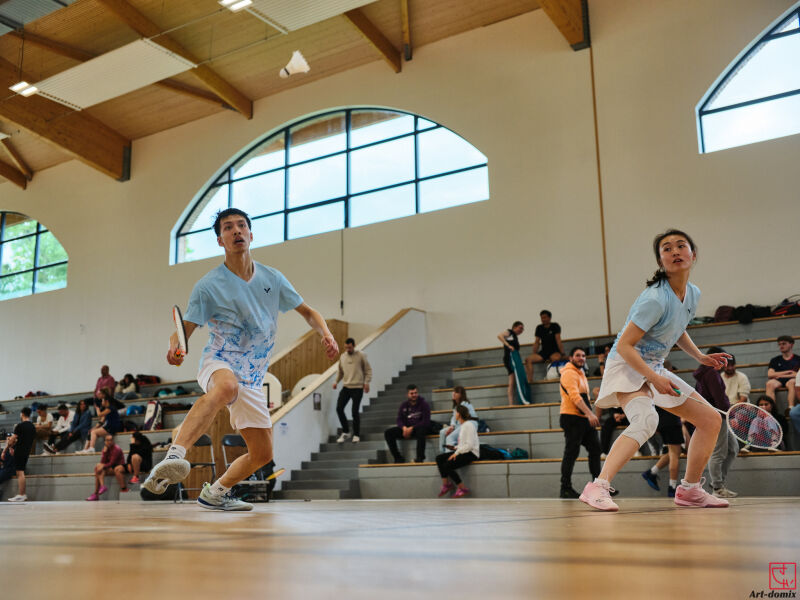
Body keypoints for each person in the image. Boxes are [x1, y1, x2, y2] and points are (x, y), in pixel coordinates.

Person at [142, 208, 338, 511]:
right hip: (219, 361)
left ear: (250, 234)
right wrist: (174, 349)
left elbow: (309, 312)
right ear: (220, 240)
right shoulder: (208, 286)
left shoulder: (273, 278)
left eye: (241, 226)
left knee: (261, 453)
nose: (236, 231)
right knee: (226, 388)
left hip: (254, 376)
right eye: (228, 228)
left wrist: (326, 334)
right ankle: (174, 456)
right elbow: (183, 331)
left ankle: (216, 493)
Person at [580, 229, 731, 512]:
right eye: (666, 248)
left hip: (654, 367)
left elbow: (678, 328)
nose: (674, 251)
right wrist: (654, 379)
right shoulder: (654, 298)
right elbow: (625, 346)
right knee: (646, 420)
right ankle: (597, 487)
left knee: (710, 420)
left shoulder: (692, 293)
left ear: (693, 255)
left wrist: (700, 356)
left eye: (681, 245)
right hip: (626, 366)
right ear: (660, 261)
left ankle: (690, 490)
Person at [693, 346, 738, 498]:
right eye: (722, 359)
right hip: (717, 415)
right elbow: (719, 398)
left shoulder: (707, 372)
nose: (724, 363)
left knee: (733, 449)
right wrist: (730, 411)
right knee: (719, 452)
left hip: (718, 414)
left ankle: (718, 484)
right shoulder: (711, 373)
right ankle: (717, 488)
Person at [558, 347, 601, 499]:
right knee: (571, 453)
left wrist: (589, 414)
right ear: (571, 358)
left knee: (595, 449)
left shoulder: (581, 373)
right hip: (572, 418)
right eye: (577, 355)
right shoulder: (569, 373)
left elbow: (585, 398)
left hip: (583, 418)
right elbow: (576, 398)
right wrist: (590, 414)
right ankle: (565, 488)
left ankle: (599, 486)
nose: (581, 358)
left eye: (583, 356)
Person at [333, 338, 372, 444]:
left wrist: (366, 382)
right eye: (346, 347)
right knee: (339, 408)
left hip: (358, 387)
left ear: (354, 345)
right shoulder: (342, 356)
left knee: (354, 411)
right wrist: (336, 382)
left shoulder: (361, 355)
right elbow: (340, 371)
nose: (348, 349)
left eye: (349, 347)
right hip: (346, 387)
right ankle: (346, 431)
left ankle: (356, 434)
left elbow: (368, 370)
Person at [435, 404, 479, 498]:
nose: (454, 414)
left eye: (455, 412)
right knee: (439, 458)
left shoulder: (468, 425)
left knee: (447, 465)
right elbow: (464, 444)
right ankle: (446, 485)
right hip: (464, 451)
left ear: (459, 414)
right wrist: (455, 448)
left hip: (471, 453)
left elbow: (470, 445)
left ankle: (462, 488)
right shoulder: (463, 426)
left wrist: (456, 453)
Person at [641, 407, 685, 498]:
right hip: (671, 419)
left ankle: (651, 472)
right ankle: (672, 488)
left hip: (661, 420)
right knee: (674, 454)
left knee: (673, 451)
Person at [384, 384, 432, 463]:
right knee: (388, 433)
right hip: (406, 429)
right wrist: (404, 428)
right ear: (407, 395)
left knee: (422, 430)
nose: (414, 395)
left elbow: (426, 422)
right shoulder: (403, 405)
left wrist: (412, 428)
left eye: (415, 393)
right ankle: (398, 457)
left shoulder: (424, 404)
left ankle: (420, 457)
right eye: (412, 393)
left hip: (418, 428)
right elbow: (399, 419)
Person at [5, 407, 35, 502]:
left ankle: (22, 494)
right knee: (20, 472)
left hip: (19, 450)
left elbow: (13, 440)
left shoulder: (20, 426)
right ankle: (21, 494)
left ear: (22, 414)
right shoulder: (32, 426)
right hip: (27, 450)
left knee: (20, 472)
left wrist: (9, 443)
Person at [524, 310, 565, 381]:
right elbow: (537, 342)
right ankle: (530, 380)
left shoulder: (555, 326)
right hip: (544, 352)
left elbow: (558, 340)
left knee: (556, 359)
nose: (543, 319)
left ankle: (553, 377)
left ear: (549, 318)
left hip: (554, 351)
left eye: (545, 317)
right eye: (542, 318)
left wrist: (562, 353)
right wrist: (534, 353)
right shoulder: (539, 328)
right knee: (528, 359)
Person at [86, 434, 127, 501]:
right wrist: (104, 453)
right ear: (105, 441)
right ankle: (101, 488)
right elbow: (103, 462)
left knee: (99, 469)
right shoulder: (105, 449)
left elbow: (112, 463)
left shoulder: (116, 449)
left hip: (118, 467)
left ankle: (96, 493)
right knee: (98, 469)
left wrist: (102, 466)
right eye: (107, 440)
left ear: (113, 441)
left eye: (110, 440)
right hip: (110, 467)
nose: (109, 442)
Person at [439, 386, 477, 451]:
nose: (453, 393)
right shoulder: (456, 406)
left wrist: (453, 428)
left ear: (461, 395)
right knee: (442, 432)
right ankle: (442, 453)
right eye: (453, 391)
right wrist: (452, 426)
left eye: (456, 392)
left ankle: (449, 455)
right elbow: (453, 418)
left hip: (469, 424)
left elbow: (465, 420)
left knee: (450, 437)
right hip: (459, 425)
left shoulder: (465, 404)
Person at [765, 335, 799, 411]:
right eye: (779, 344)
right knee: (769, 383)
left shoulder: (798, 359)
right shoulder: (775, 360)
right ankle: (771, 410)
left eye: (784, 344)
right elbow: (770, 374)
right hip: (779, 381)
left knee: (792, 382)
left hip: (792, 381)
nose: (781, 346)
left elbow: (798, 374)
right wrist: (788, 372)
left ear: (791, 344)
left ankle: (791, 407)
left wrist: (779, 375)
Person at [498, 321, 524, 404]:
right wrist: (508, 345)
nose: (521, 330)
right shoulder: (510, 332)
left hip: (513, 360)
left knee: (512, 381)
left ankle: (511, 403)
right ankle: (511, 403)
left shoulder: (515, 336)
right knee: (512, 381)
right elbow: (499, 336)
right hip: (509, 359)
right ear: (514, 327)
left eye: (522, 329)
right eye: (520, 328)